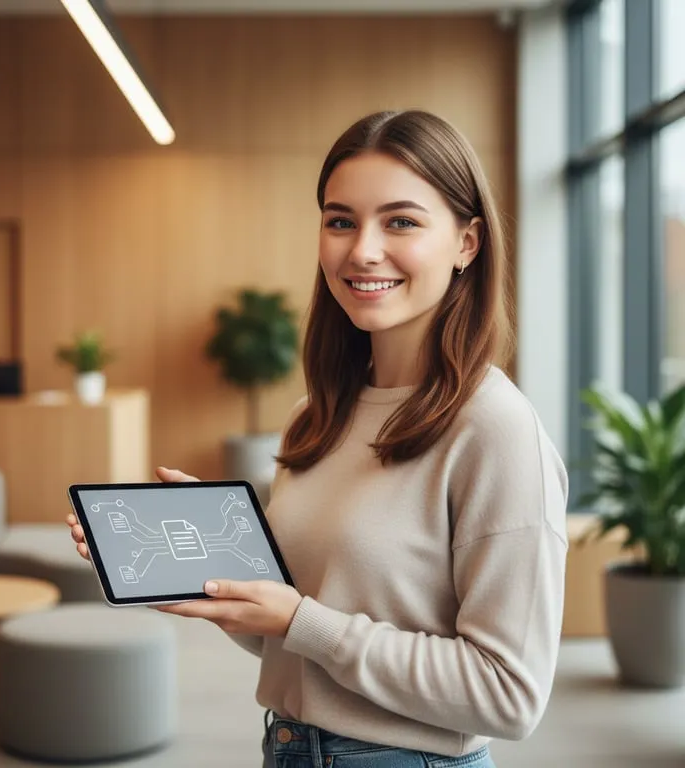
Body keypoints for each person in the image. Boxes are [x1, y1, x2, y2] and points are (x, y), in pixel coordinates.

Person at [67, 109, 568, 768]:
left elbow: (509, 696)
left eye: (401, 221)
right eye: (340, 221)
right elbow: (301, 643)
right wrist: (228, 586)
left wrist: (301, 620)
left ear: (467, 243)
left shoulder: (495, 430)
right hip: (291, 746)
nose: (361, 249)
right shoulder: (318, 414)